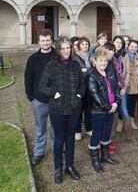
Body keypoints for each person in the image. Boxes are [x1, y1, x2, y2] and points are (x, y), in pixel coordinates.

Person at [39, 37, 86, 184]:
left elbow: (82, 84)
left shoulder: (75, 65)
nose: (66, 51)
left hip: (74, 108)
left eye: (68, 48)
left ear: (72, 49)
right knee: (59, 140)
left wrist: (78, 95)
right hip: (58, 109)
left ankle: (70, 166)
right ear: (58, 50)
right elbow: (42, 86)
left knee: (70, 138)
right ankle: (58, 168)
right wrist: (54, 93)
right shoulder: (51, 66)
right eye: (63, 48)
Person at [24, 29, 56, 166]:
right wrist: (32, 98)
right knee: (40, 128)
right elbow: (28, 80)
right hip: (39, 101)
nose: (45, 43)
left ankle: (57, 150)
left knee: (56, 127)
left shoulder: (58, 56)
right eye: (43, 40)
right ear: (38, 42)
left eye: (48, 40)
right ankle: (39, 152)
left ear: (51, 41)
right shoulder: (32, 59)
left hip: (56, 99)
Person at [88, 48, 121, 173]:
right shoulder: (92, 75)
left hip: (112, 108)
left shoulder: (110, 71)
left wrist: (117, 103)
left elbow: (116, 89)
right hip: (99, 111)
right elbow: (95, 95)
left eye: (105, 61)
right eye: (100, 61)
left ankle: (105, 156)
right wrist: (109, 107)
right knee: (96, 134)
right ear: (95, 61)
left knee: (107, 133)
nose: (103, 63)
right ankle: (95, 160)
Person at [112, 35, 133, 140]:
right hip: (111, 87)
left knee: (124, 109)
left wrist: (125, 86)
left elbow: (128, 71)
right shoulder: (110, 54)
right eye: (117, 42)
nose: (118, 44)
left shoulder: (125, 55)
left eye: (120, 43)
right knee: (111, 110)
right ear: (113, 43)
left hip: (122, 86)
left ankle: (129, 134)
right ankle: (110, 135)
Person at [74, 36, 93, 141]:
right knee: (78, 109)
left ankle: (89, 128)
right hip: (79, 87)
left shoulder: (91, 55)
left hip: (89, 87)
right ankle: (77, 130)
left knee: (88, 109)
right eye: (83, 44)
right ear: (79, 46)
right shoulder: (75, 57)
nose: (85, 46)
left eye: (86, 44)